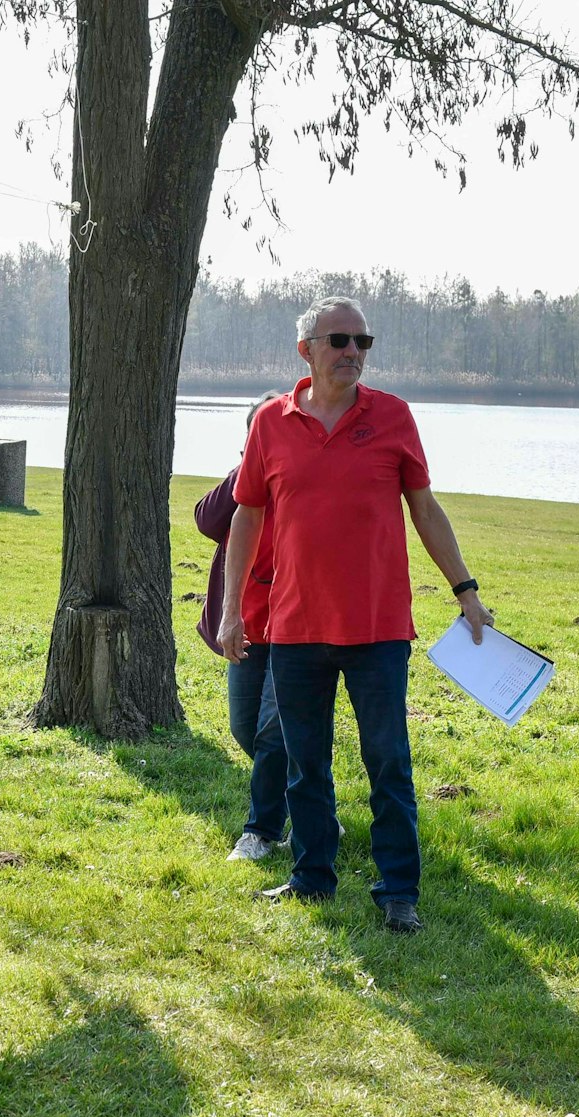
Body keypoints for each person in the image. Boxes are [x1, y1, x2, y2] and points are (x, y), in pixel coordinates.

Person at [217, 295, 493, 935]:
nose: (352, 353)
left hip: (377, 628)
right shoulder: (270, 422)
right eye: (339, 340)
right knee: (304, 762)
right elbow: (247, 516)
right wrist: (231, 611)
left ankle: (398, 889)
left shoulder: (392, 417)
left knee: (388, 761)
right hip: (294, 629)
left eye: (362, 342)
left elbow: (425, 508)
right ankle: (312, 877)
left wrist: (465, 589)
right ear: (305, 350)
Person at [195, 392, 289, 862]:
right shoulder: (241, 485)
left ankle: (261, 832)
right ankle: (312, 803)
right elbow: (206, 519)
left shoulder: (298, 480)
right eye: (257, 434)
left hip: (295, 628)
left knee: (276, 732)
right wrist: (247, 465)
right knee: (243, 728)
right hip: (245, 626)